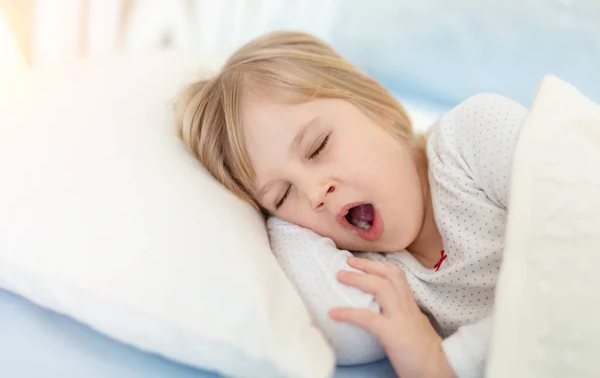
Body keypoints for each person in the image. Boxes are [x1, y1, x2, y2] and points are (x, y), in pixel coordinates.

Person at [175, 31, 527, 378]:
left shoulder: (473, 138)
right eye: (283, 195)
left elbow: (576, 247)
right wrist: (275, 219)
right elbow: (344, 332)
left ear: (375, 103)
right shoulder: (380, 274)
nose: (314, 193)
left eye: (317, 146)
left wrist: (443, 364)